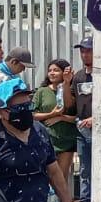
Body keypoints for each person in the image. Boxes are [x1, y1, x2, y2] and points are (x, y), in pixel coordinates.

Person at [32, 59, 78, 190]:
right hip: (47, 139)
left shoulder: (71, 90)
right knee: (46, 175)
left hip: (66, 141)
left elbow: (72, 109)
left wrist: (61, 118)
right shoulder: (42, 91)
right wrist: (51, 114)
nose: (52, 73)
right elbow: (33, 115)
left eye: (56, 70)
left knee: (61, 177)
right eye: (50, 70)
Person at [69, 38, 94, 202]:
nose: (85, 55)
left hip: (100, 129)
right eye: (83, 51)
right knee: (85, 169)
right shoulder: (78, 77)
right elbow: (70, 103)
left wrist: (97, 118)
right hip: (82, 129)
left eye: (89, 51)